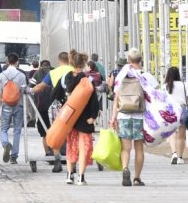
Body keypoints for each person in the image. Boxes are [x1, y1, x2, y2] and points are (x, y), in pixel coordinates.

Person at [54, 51, 100, 185]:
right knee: (84, 146)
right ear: (84, 63)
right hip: (85, 117)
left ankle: (69, 175)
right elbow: (94, 100)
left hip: (70, 117)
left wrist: (64, 103)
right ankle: (81, 177)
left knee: (71, 146)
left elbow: (54, 94)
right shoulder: (86, 79)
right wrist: (93, 116)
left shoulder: (65, 78)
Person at [109, 48, 149, 187]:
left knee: (125, 148)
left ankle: (125, 168)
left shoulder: (121, 76)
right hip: (140, 117)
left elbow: (116, 98)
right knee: (139, 149)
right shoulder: (144, 76)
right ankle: (137, 178)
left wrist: (113, 117)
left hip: (123, 115)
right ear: (140, 60)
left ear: (129, 60)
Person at [0, 53, 27, 164]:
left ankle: (5, 144)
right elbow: (24, 91)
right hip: (18, 105)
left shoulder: (2, 75)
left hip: (6, 105)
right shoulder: (21, 75)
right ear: (17, 62)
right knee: (17, 130)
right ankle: (13, 157)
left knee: (3, 129)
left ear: (7, 61)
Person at [164, 66, 188, 165]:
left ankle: (174, 153)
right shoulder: (184, 85)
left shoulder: (165, 86)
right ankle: (180, 157)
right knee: (181, 136)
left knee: (171, 134)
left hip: (170, 110)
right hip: (182, 109)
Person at [30, 60, 54, 157]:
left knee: (44, 131)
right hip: (55, 105)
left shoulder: (37, 73)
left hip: (41, 105)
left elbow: (31, 87)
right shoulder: (55, 71)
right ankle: (60, 151)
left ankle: (48, 153)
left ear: (40, 66)